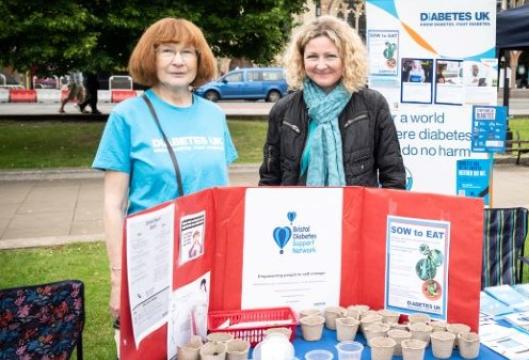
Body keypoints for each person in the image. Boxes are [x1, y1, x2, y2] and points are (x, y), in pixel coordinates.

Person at [92, 17, 238, 321]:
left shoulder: (214, 115)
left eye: (187, 52)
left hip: (208, 256)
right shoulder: (127, 116)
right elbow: (112, 205)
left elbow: (222, 192)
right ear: (151, 57)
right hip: (152, 260)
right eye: (167, 51)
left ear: (199, 60)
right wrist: (118, 279)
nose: (178, 61)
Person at [259, 16, 405, 189]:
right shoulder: (283, 110)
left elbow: (393, 178)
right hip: (296, 214)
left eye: (330, 56)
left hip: (355, 213)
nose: (321, 65)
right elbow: (269, 179)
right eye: (312, 56)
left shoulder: (372, 105)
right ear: (301, 59)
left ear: (347, 58)